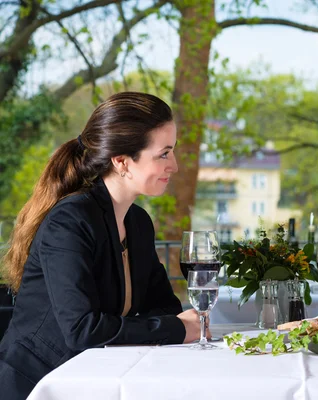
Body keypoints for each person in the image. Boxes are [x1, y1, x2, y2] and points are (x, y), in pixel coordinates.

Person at [0, 92, 201, 400]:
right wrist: (174, 329)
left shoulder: (138, 223)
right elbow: (82, 329)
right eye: (164, 154)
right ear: (121, 161)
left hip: (96, 378)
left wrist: (169, 324)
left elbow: (165, 308)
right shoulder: (69, 222)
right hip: (37, 384)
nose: (174, 165)